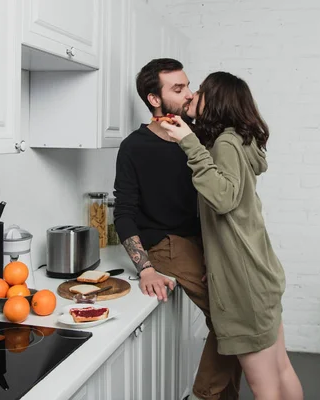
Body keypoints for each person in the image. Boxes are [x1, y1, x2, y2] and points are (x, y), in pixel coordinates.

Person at [160, 71, 304, 400]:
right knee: (282, 369)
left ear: (217, 100)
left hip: (245, 286)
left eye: (201, 90)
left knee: (264, 386)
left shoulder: (224, 143)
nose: (193, 94)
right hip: (261, 273)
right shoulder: (239, 139)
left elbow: (223, 199)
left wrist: (189, 143)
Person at [113, 59, 243, 400]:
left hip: (201, 240)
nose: (189, 95)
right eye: (178, 89)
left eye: (188, 86)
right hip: (165, 244)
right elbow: (124, 213)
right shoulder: (133, 147)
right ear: (154, 99)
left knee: (240, 313)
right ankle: (207, 394)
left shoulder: (198, 136)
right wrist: (145, 269)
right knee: (231, 318)